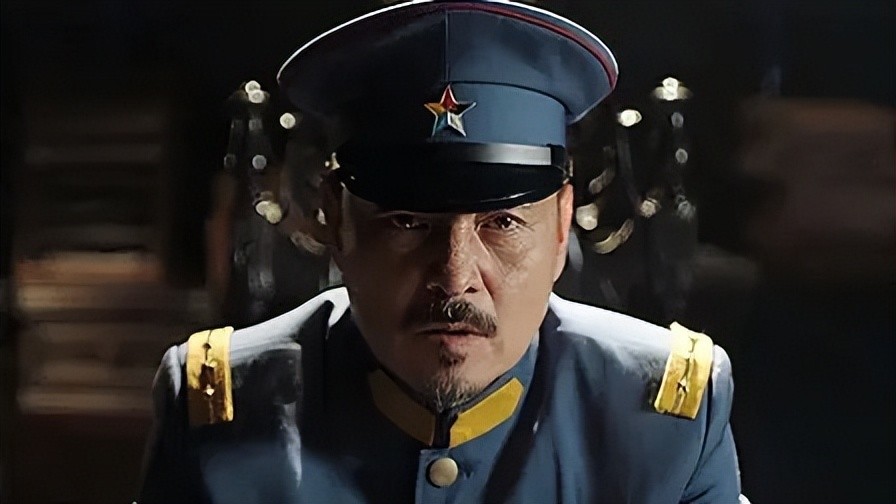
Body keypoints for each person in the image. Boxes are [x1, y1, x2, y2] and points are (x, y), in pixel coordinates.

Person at [137, 1, 745, 503]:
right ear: (335, 220)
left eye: (502, 223)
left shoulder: (663, 426)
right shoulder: (219, 415)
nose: (456, 278)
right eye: (408, 222)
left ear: (562, 226)